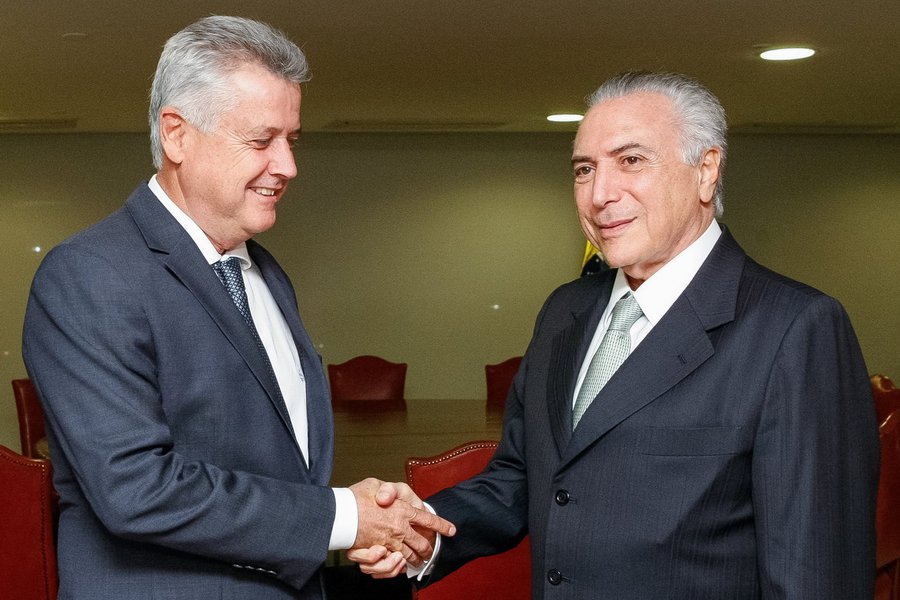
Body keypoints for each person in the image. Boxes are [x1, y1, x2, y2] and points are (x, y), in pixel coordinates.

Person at [352, 72, 879, 598]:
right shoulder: (566, 310)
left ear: (706, 170)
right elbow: (522, 476)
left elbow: (817, 572)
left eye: (632, 160)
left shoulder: (795, 328)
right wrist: (417, 532)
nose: (600, 194)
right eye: (585, 169)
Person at [22, 15, 452, 600]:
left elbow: (272, 468)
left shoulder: (266, 272)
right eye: (260, 141)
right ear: (176, 134)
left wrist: (345, 522)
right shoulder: (89, 275)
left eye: (291, 141)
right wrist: (343, 517)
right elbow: (134, 488)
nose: (288, 166)